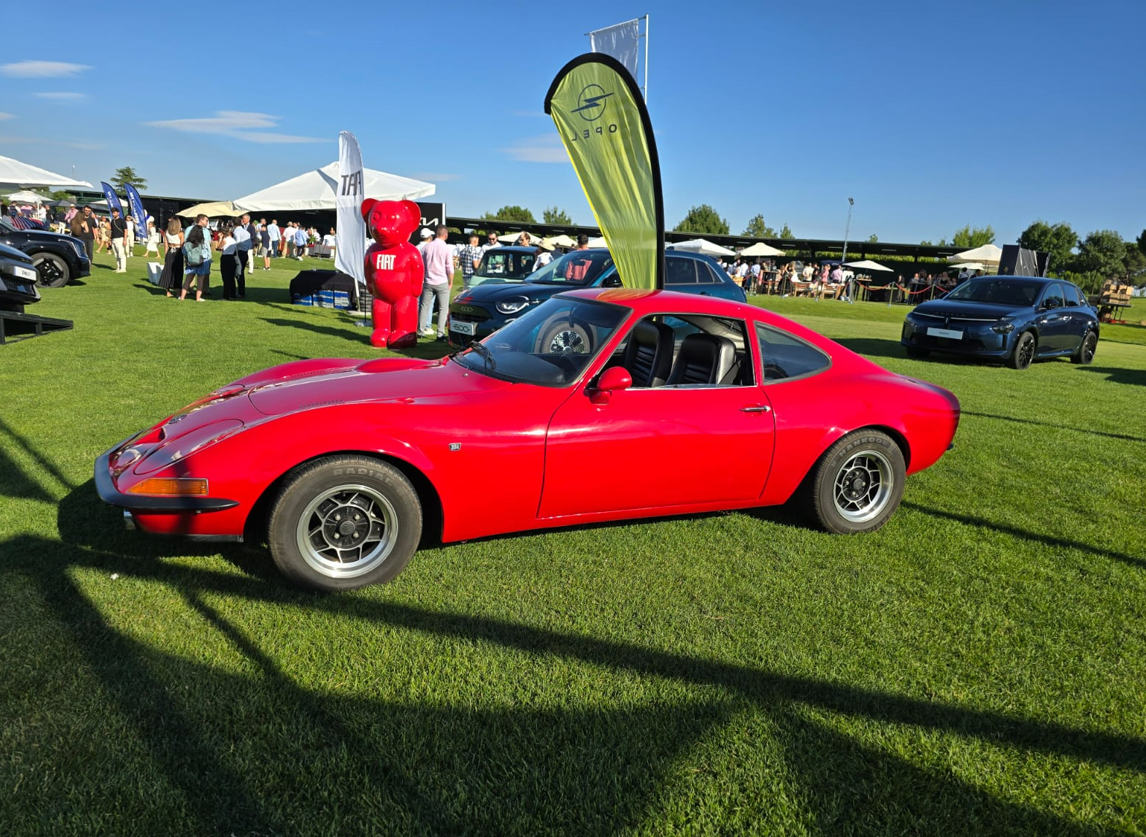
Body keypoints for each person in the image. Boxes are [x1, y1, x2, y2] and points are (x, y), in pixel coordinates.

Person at [419, 225, 453, 339]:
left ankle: (420, 330)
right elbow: (449, 267)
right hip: (442, 281)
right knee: (443, 309)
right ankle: (440, 333)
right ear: (445, 235)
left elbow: (422, 265)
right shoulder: (447, 248)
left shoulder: (427, 247)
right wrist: (451, 281)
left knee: (424, 306)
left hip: (428, 281)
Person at [179, 221, 211, 302]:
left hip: (191, 263)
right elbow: (207, 253)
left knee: (187, 281)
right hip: (201, 262)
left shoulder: (188, 243)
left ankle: (182, 297)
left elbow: (184, 252)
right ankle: (198, 298)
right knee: (200, 282)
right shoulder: (203, 243)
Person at [158, 217, 184, 297]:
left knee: (168, 271)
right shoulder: (181, 234)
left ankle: (167, 291)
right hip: (178, 252)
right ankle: (178, 291)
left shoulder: (166, 232)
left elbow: (166, 245)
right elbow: (182, 246)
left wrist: (166, 255)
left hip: (170, 252)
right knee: (178, 272)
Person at [216, 222, 239, 300]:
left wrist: (220, 238)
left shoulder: (225, 240)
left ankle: (226, 296)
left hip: (225, 258)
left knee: (225, 278)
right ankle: (233, 294)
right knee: (231, 278)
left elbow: (218, 248)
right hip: (232, 258)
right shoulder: (233, 240)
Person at [232, 213, 251, 296]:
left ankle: (239, 292)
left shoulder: (236, 232)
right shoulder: (246, 232)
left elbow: (237, 241)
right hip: (245, 252)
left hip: (238, 252)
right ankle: (241, 291)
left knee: (238, 273)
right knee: (241, 272)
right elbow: (250, 244)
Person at [109, 208, 128, 273]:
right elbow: (112, 230)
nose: (113, 214)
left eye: (114, 213)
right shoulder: (112, 221)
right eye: (113, 213)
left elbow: (125, 230)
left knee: (121, 254)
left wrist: (125, 239)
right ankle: (118, 267)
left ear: (118, 213)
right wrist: (110, 239)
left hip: (120, 238)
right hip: (114, 238)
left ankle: (123, 268)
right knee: (116, 254)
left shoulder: (122, 221)